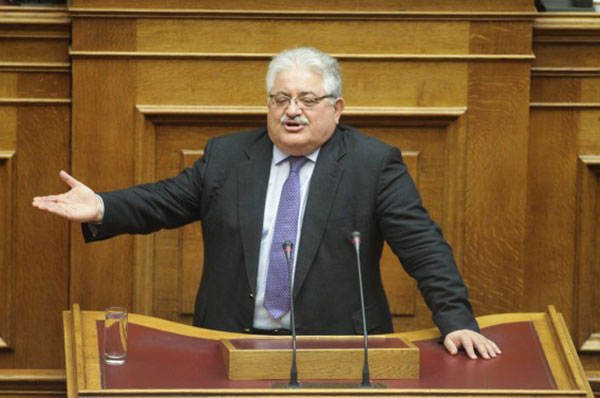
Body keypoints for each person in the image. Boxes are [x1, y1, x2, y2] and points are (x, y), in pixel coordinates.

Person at [33, 47, 500, 359]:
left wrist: (456, 319)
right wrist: (101, 205)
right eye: (281, 99)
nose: (292, 110)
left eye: (307, 99)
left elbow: (423, 246)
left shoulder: (373, 163)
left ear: (336, 108)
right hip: (229, 343)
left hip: (339, 348)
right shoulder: (228, 156)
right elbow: (164, 200)